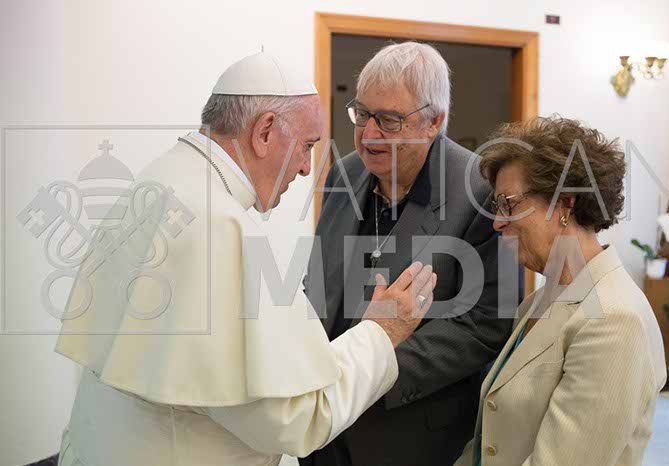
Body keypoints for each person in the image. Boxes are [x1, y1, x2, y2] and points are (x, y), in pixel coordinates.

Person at [54, 52, 437, 466]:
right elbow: (298, 418)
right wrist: (381, 331)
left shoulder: (159, 179)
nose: (306, 169)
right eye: (307, 146)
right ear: (265, 132)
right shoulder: (220, 227)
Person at [302, 42, 513, 466]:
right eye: (363, 114)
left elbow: (487, 322)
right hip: (323, 426)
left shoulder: (480, 189)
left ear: (434, 120)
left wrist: (369, 369)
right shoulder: (344, 173)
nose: (369, 134)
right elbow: (320, 285)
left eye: (389, 120)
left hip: (409, 435)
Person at [455, 116, 667, 466]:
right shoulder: (537, 302)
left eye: (509, 203)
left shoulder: (614, 320)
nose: (497, 221)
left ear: (565, 204)